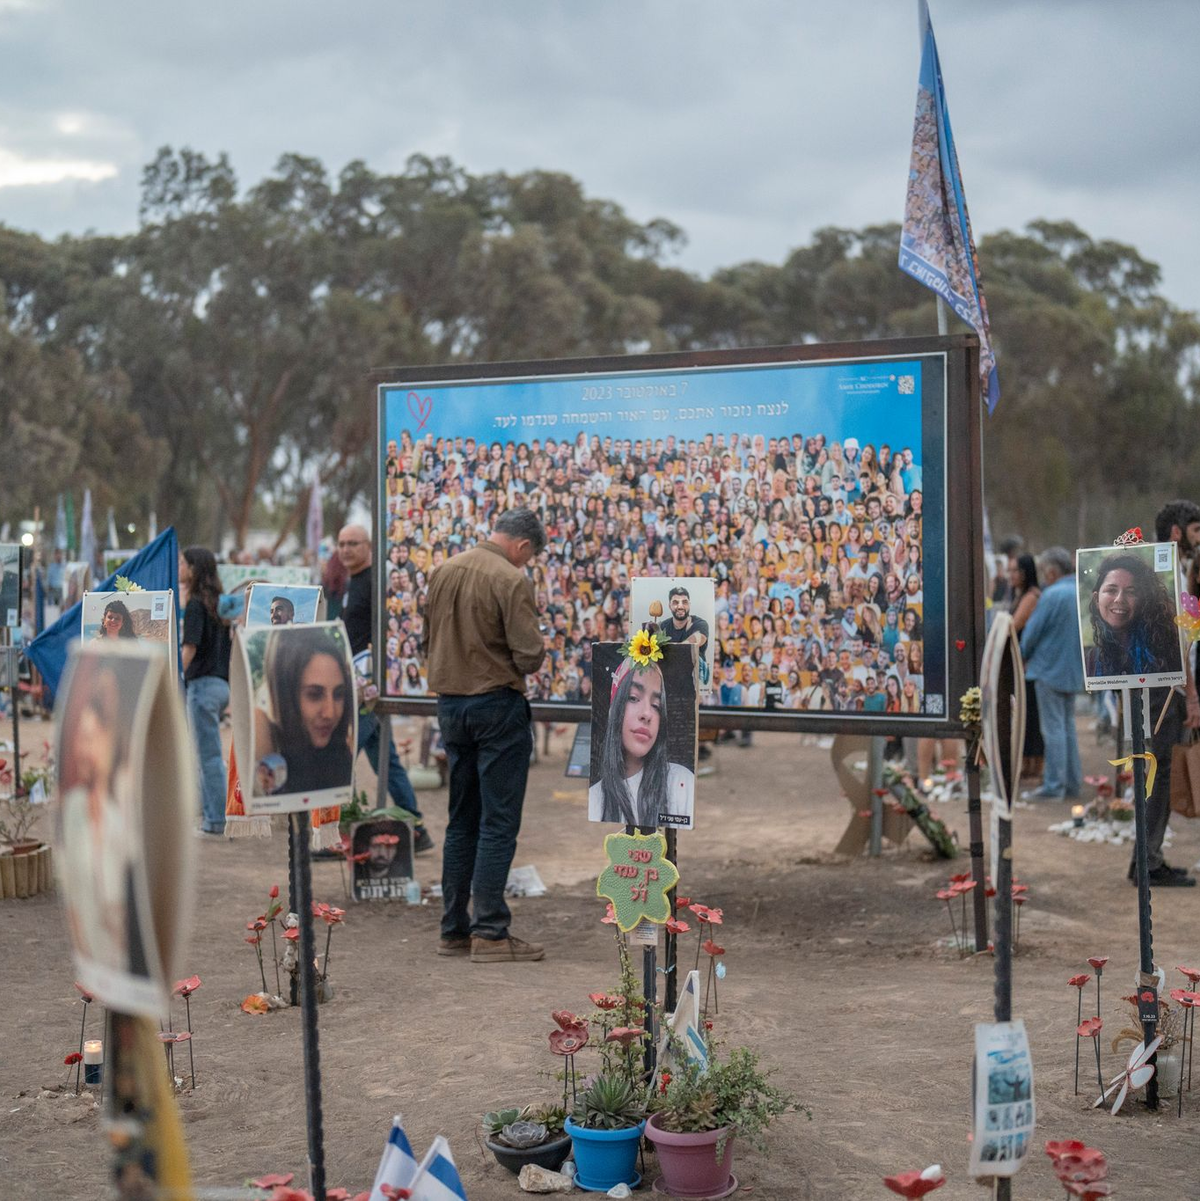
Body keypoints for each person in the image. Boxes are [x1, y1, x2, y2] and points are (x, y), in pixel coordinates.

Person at [425, 508, 547, 963]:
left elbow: (429, 639)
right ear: (524, 547)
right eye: (529, 558)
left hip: (450, 705)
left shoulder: (444, 570)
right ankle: (491, 931)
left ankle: (453, 929)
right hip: (496, 705)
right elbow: (529, 655)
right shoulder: (511, 578)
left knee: (462, 820)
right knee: (498, 822)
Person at [337, 524, 432, 852]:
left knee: (339, 758)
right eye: (341, 544)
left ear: (369, 546)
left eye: (353, 543)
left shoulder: (375, 581)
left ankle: (338, 835)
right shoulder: (355, 582)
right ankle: (416, 828)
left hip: (367, 689)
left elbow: (386, 632)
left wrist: (373, 678)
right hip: (360, 686)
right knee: (387, 763)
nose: (346, 549)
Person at [1136, 500, 1200, 887]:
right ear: (1177, 532)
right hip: (1164, 685)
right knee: (1159, 772)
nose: (1199, 539)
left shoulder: (1169, 569)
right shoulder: (1165, 572)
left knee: (1158, 771)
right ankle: (1148, 860)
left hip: (1163, 683)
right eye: (1195, 530)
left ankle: (1147, 857)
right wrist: (1191, 695)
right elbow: (1178, 644)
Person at [588, 653, 695, 827]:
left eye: (656, 706)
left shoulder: (681, 783)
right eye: (633, 698)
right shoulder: (595, 798)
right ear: (614, 709)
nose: (647, 714)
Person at [254, 626, 354, 795]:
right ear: (285, 695)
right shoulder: (264, 734)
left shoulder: (341, 751)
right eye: (314, 695)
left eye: (339, 694)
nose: (330, 713)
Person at [1019, 547, 1084, 800]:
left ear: (1052, 572)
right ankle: (1072, 784)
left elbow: (1031, 633)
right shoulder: (1081, 592)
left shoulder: (1052, 594)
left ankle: (1054, 786)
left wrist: (1024, 653)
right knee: (1067, 727)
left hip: (1048, 669)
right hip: (1074, 670)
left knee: (1053, 729)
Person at [180, 546, 231, 837]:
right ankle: (209, 814)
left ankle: (215, 821)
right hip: (221, 684)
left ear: (194, 568)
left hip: (201, 686)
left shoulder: (197, 606)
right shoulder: (219, 604)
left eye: (183, 563)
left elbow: (190, 648)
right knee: (208, 754)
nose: (179, 567)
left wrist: (175, 677)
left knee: (208, 756)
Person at [1083, 552, 1180, 679]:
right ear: (1096, 599)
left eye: (1131, 592)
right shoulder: (1091, 660)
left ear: (1144, 600)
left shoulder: (1165, 650)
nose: (1119, 599)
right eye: (1111, 590)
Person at [1008, 554, 1043, 781]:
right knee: (1024, 714)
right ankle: (1027, 761)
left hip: (1027, 663)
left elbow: (1015, 624)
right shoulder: (1019, 595)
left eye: (1014, 571)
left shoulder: (1032, 596)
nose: (1010, 575)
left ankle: (1035, 763)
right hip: (1019, 662)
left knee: (1031, 716)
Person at [660, 585, 710, 688]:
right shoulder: (662, 627)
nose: (680, 606)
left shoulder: (700, 624)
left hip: (693, 684)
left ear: (689, 605)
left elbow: (697, 639)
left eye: (684, 602)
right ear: (669, 605)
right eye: (675, 602)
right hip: (668, 684)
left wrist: (671, 655)